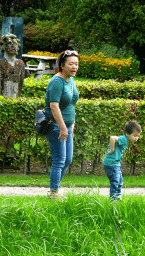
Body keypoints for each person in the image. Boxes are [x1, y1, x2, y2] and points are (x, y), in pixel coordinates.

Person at [45, 50, 79, 199]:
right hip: (56, 126)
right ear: (62, 65)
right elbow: (54, 106)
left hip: (67, 126)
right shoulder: (56, 81)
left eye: (76, 64)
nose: (74, 67)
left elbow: (71, 102)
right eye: (71, 64)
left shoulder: (70, 79)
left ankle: (55, 189)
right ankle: (53, 192)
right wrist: (63, 127)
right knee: (59, 159)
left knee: (68, 160)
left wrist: (72, 121)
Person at [103, 121, 142, 201]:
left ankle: (117, 196)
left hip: (115, 163)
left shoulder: (126, 140)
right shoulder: (124, 139)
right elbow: (112, 138)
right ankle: (113, 199)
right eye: (134, 136)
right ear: (127, 133)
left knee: (120, 180)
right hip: (111, 163)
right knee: (115, 181)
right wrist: (112, 149)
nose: (136, 138)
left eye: (138, 136)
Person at [0, 33, 25, 98]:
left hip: (15, 98)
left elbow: (20, 85)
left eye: (15, 44)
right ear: (4, 46)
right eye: (9, 43)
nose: (13, 46)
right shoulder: (1, 63)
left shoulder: (20, 64)